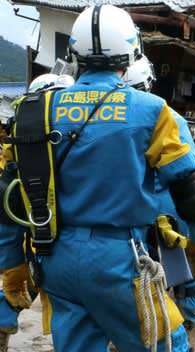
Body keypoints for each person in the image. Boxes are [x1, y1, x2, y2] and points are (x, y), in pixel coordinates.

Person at [0, 5, 195, 351]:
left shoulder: (32, 111)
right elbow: (190, 191)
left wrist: (12, 267)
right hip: (118, 259)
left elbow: (7, 199)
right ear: (131, 55)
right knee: (167, 344)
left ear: (72, 54)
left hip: (54, 260)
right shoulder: (152, 110)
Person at [123, 55, 195, 331]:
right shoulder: (166, 116)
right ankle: (183, 332)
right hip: (170, 209)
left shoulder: (106, 119)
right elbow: (190, 181)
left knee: (138, 278)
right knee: (182, 277)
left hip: (128, 214)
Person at [0, 72, 75, 352]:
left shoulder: (20, 145)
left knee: (26, 284)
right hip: (75, 243)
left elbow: (8, 223)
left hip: (37, 235)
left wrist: (12, 268)